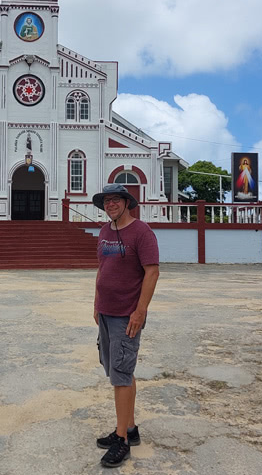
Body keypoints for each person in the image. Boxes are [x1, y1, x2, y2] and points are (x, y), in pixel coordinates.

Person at [91, 183, 160, 468]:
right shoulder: (105, 231)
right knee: (118, 369)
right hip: (106, 313)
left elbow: (152, 272)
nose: (111, 205)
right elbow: (101, 269)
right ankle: (130, 429)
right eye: (107, 201)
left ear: (127, 203)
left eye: (116, 200)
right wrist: (96, 303)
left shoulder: (142, 232)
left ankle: (121, 441)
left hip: (126, 315)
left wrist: (140, 311)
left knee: (121, 374)